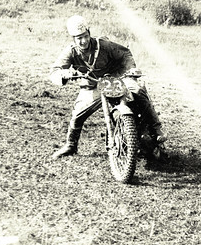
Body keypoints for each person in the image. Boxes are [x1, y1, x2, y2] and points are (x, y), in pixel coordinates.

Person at [49, 15, 166, 159]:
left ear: (89, 33)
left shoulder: (102, 45)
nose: (83, 41)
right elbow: (55, 70)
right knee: (77, 114)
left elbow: (125, 53)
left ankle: (156, 130)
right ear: (73, 38)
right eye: (79, 38)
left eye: (85, 36)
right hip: (92, 86)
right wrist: (65, 73)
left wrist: (130, 70)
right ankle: (70, 145)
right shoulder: (71, 51)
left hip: (115, 79)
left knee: (138, 90)